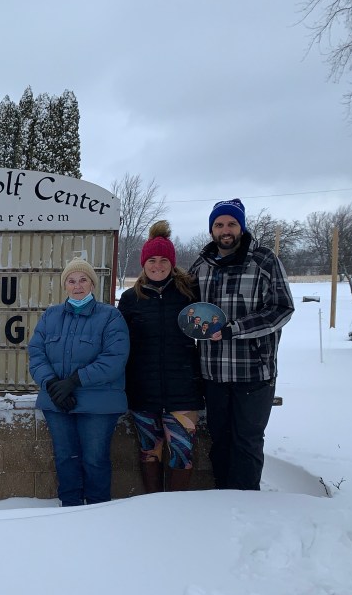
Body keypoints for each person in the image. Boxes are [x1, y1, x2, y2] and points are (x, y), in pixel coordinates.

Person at [188, 198, 294, 490]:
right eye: (219, 224)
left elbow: (281, 308)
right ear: (212, 230)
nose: (225, 230)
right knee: (219, 440)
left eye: (231, 224)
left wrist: (235, 329)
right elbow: (189, 308)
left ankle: (247, 502)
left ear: (241, 227)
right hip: (213, 372)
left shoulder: (264, 260)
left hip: (254, 371)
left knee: (247, 440)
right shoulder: (202, 265)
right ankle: (224, 497)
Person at [28, 256, 129, 506]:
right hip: (58, 401)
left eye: (83, 279)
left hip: (98, 404)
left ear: (92, 284)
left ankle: (96, 510)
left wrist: (74, 381)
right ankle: (69, 510)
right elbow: (36, 353)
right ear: (65, 286)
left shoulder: (110, 317)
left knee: (95, 459)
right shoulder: (51, 316)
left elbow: (114, 358)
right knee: (65, 457)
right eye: (71, 281)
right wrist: (52, 384)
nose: (78, 285)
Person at [116, 221, 204, 493]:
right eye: (151, 260)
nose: (157, 265)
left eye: (163, 260)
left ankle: (177, 506)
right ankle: (152, 505)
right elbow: (121, 343)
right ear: (143, 264)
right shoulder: (131, 299)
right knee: (149, 451)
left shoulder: (190, 294)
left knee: (181, 452)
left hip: (184, 390)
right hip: (143, 392)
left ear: (172, 262)